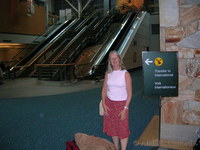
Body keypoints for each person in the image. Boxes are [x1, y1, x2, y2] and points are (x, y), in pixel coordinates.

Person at [101, 51, 132, 150]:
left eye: (116, 58)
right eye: (111, 58)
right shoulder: (108, 74)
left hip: (122, 105)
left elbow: (130, 93)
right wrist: (104, 104)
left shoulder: (125, 74)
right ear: (109, 61)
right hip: (109, 104)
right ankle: (116, 147)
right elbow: (104, 89)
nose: (114, 60)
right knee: (113, 128)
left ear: (119, 59)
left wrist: (125, 108)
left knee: (123, 129)